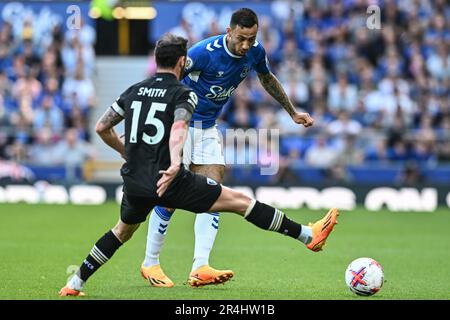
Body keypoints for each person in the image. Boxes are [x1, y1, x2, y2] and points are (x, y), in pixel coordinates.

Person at [59, 33, 339, 296]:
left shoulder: (134, 90)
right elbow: (180, 125)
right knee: (241, 202)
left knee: (121, 231)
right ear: (183, 62)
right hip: (171, 174)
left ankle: (75, 282)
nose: (246, 44)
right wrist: (175, 162)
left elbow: (101, 127)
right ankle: (306, 235)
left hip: (135, 179)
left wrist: (127, 152)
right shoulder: (186, 90)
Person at [142, 8, 315, 288]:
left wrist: (292, 112)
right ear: (228, 32)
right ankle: (150, 262)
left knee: (213, 191)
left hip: (208, 127)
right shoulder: (203, 53)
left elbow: (267, 78)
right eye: (241, 38)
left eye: (252, 38)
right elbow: (168, 78)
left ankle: (200, 267)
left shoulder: (255, 52)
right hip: (179, 125)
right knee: (170, 196)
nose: (246, 45)